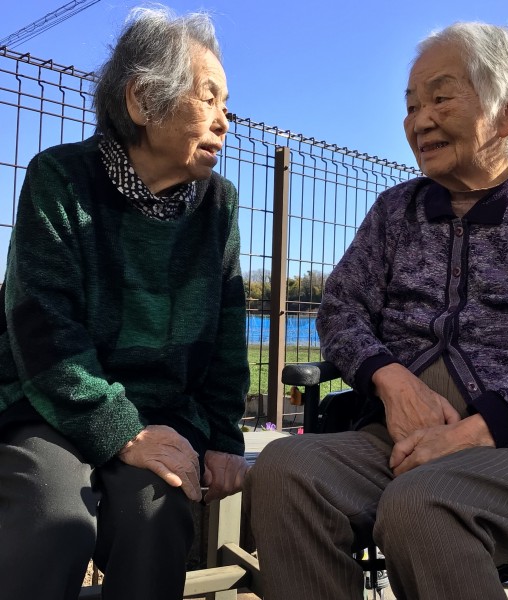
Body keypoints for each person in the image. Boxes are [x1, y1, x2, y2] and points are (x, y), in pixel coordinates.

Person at [245, 21, 508, 600]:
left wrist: (477, 430)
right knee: (284, 470)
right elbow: (340, 310)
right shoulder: (395, 212)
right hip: (395, 440)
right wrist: (390, 380)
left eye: (440, 98)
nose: (419, 121)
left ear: (507, 113)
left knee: (421, 506)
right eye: (411, 106)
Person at [0, 6, 250, 600]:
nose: (224, 121)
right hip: (48, 408)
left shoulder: (218, 204)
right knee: (52, 518)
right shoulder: (60, 178)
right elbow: (43, 330)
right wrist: (122, 431)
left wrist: (224, 439)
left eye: (227, 104)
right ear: (142, 100)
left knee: (156, 511)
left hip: (163, 412)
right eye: (209, 98)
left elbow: (228, 332)